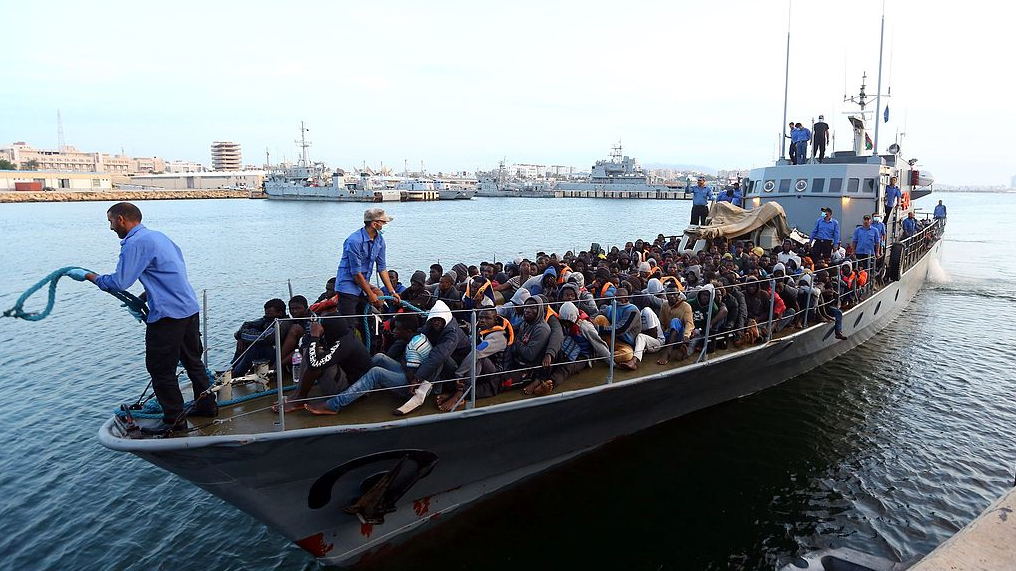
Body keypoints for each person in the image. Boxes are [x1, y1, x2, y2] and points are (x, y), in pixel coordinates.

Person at [73, 202, 215, 435]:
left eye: (110, 221)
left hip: (168, 316)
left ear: (121, 219)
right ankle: (208, 405)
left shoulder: (135, 243)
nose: (110, 228)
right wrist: (145, 295)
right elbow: (169, 274)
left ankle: (174, 420)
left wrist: (89, 276)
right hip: (188, 308)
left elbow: (118, 282)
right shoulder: (159, 237)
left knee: (161, 370)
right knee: (193, 362)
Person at [305, 313, 431, 415]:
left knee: (376, 372)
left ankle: (333, 405)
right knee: (379, 357)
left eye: (397, 329)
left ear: (408, 332)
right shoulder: (418, 337)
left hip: (411, 385)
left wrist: (314, 337)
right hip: (409, 371)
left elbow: (411, 379)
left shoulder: (413, 347)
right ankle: (362, 387)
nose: (393, 331)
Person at [335, 208, 400, 329]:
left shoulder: (380, 240)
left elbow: (382, 268)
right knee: (349, 326)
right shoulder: (354, 241)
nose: (385, 225)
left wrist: (392, 292)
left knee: (368, 323)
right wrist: (370, 294)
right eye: (383, 222)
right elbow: (356, 273)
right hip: (348, 286)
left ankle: (369, 346)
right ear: (375, 224)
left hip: (363, 286)